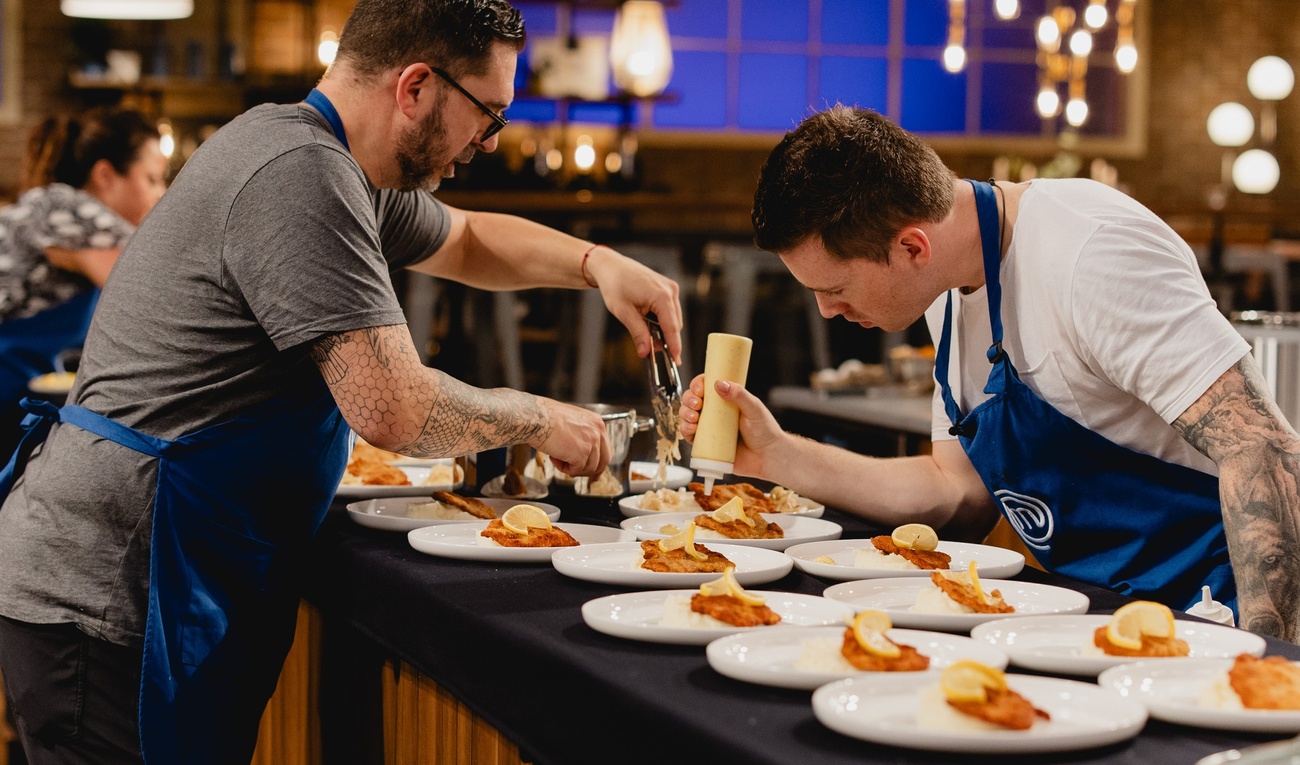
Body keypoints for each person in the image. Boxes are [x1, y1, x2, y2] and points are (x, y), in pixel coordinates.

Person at [0, 1, 683, 763]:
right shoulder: (302, 173)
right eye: (487, 114)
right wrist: (539, 419)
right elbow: (392, 407)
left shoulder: (326, 156)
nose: (485, 144)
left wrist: (598, 265)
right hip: (113, 591)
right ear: (416, 87)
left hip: (154, 572)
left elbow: (467, 237)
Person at [678, 104, 1300, 643]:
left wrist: (1268, 661)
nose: (826, 310)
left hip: (1214, 608)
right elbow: (958, 491)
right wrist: (778, 456)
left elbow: (1263, 449)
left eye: (835, 287)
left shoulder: (1091, 254)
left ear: (911, 247)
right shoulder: (946, 287)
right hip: (1098, 611)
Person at [0, 107, 167, 458]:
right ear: (106, 175)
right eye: (151, 179)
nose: (161, 193)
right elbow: (152, 300)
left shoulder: (58, 206)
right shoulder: (70, 208)